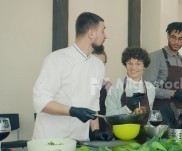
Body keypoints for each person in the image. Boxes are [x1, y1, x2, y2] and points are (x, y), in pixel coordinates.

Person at [33, 12, 111, 141]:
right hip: (50, 140)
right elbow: (42, 101)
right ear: (91, 34)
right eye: (103, 31)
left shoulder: (98, 66)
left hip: (80, 140)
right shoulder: (56, 59)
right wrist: (72, 111)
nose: (105, 36)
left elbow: (93, 103)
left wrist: (95, 130)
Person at [143, 22, 182, 111]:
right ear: (168, 36)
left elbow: (181, 86)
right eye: (173, 37)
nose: (176, 42)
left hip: (180, 110)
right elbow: (148, 88)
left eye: (180, 39)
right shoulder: (155, 57)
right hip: (161, 111)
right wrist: (172, 93)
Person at [105, 47, 155, 122]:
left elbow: (149, 118)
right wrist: (127, 108)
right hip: (122, 132)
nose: (133, 67)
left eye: (138, 63)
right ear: (125, 65)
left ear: (144, 66)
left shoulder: (150, 88)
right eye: (130, 63)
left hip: (144, 133)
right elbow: (108, 117)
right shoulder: (115, 88)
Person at [89, 45, 113, 140]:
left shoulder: (107, 85)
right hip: (84, 129)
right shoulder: (82, 84)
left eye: (102, 63)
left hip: (103, 128)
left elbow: (110, 111)